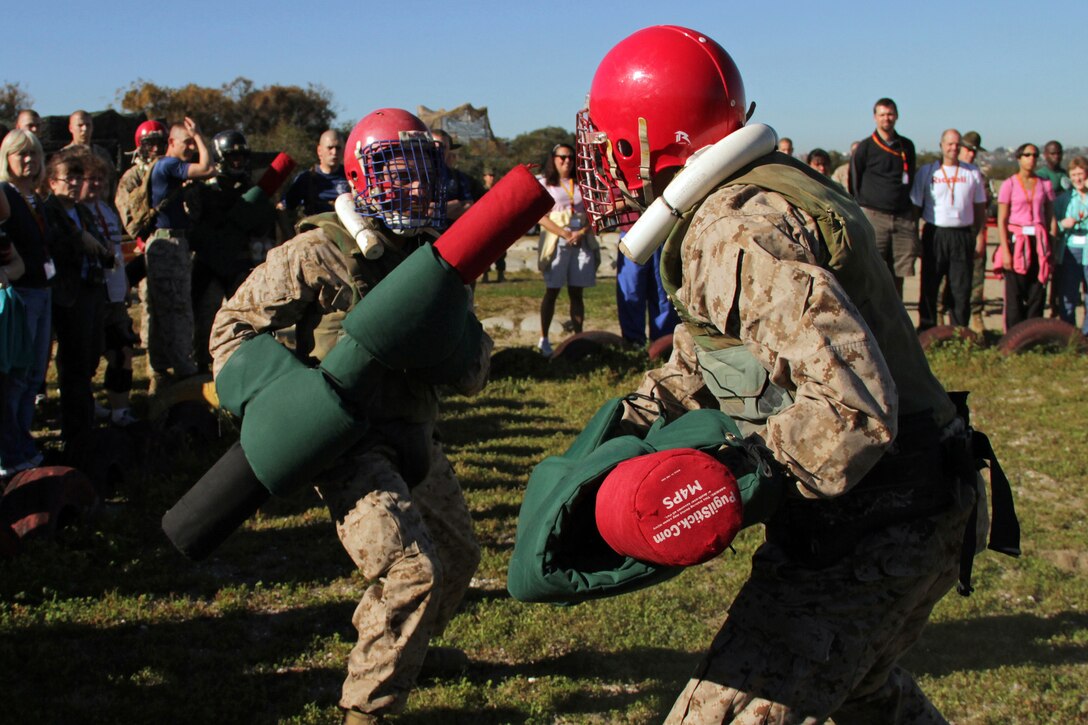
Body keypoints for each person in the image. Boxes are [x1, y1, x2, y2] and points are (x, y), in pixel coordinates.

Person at [574, 25, 996, 722]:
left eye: (610, 146)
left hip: (879, 515)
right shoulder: (753, 197)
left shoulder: (731, 229)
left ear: (647, 145)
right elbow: (717, 356)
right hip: (920, 495)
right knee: (863, 697)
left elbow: (851, 410)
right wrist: (622, 434)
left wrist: (732, 483)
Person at [209, 108, 486, 724]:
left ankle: (405, 652)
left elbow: (474, 367)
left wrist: (454, 350)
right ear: (364, 178)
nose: (418, 186)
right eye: (399, 173)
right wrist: (286, 405)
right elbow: (230, 329)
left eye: (425, 172)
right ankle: (368, 710)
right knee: (411, 572)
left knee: (459, 556)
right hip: (348, 444)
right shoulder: (315, 251)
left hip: (414, 434)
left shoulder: (436, 260)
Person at [188, 129, 277, 371]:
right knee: (206, 320)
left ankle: (247, 365)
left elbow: (264, 228)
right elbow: (192, 228)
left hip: (241, 266)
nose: (237, 162)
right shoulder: (203, 190)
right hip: (208, 265)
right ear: (219, 157)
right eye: (231, 157)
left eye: (241, 157)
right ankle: (201, 367)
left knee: (247, 320)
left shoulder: (250, 189)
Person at [39, 150, 111, 449]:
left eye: (78, 177)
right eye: (69, 177)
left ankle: (83, 425)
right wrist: (79, 241)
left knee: (90, 358)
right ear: (52, 182)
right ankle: (76, 433)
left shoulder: (82, 211)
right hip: (66, 295)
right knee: (74, 365)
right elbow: (51, 247)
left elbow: (100, 247)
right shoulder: (47, 211)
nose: (75, 183)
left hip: (90, 291)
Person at [144, 117, 216, 392]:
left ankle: (162, 370)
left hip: (169, 244)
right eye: (186, 143)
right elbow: (207, 168)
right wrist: (199, 134)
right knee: (178, 309)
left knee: (164, 308)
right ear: (171, 143)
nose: (191, 148)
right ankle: (185, 372)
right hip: (168, 245)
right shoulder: (169, 164)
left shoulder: (167, 168)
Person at [0, 130, 54, 477]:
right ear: (6, 159)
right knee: (17, 378)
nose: (29, 161)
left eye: (33, 154)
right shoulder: (5, 195)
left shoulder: (33, 196)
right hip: (20, 296)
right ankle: (13, 451)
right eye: (21, 155)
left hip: (42, 288)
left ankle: (22, 442)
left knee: (34, 375)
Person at [82, 151, 140, 426]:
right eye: (91, 179)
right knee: (87, 357)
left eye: (101, 179)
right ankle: (88, 407)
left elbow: (117, 251)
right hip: (90, 294)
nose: (96, 185)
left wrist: (125, 284)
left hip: (115, 294)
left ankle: (120, 410)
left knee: (123, 350)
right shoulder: (76, 212)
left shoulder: (107, 209)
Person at [911, 129, 987, 329]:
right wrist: (915, 238)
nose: (953, 148)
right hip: (935, 234)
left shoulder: (972, 172)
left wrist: (979, 236)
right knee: (929, 285)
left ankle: (959, 331)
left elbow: (980, 208)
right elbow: (915, 208)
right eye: (949, 144)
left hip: (962, 234)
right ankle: (927, 330)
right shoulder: (927, 172)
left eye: (956, 144)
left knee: (960, 288)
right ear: (941, 145)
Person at [850, 98, 918, 298]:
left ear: (896, 116)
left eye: (890, 114)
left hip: (902, 217)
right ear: (875, 118)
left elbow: (911, 177)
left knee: (900, 271)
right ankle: (875, 320)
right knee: (874, 269)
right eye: (882, 115)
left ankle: (897, 317)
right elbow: (854, 181)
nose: (886, 119)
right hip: (874, 216)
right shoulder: (865, 147)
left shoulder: (907, 146)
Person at [536, 143, 597, 356]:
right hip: (557, 240)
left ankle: (578, 338)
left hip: (580, 240)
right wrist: (564, 234)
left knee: (576, 292)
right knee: (552, 290)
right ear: (553, 159)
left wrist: (580, 232)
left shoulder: (583, 183)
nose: (567, 161)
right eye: (562, 157)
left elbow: (593, 213)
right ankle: (544, 339)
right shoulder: (545, 183)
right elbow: (539, 216)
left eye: (571, 157)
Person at [996, 143, 1055, 331]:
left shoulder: (1045, 184)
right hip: (1016, 240)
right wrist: (1005, 251)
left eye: (1035, 155)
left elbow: (1050, 216)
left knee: (1037, 290)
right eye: (1027, 154)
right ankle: (1014, 335)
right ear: (1019, 158)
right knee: (1014, 293)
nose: (1032, 158)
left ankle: (1033, 333)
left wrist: (1051, 244)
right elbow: (1002, 219)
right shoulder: (1009, 184)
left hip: (1038, 241)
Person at [959, 131, 991, 333]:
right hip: (953, 232)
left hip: (974, 230)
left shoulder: (978, 175)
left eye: (974, 151)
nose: (971, 154)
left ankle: (976, 317)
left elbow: (986, 206)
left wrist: (980, 235)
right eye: (968, 149)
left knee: (977, 278)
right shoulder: (941, 171)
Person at [1053, 155, 1088, 330]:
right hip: (1069, 250)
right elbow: (1052, 225)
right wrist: (1061, 225)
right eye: (1073, 175)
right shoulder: (1063, 200)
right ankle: (1068, 332)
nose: (1077, 178)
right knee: (1068, 294)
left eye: (1081, 174)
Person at [282, 129, 350, 217]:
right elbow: (286, 206)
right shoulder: (306, 178)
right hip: (315, 228)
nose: (334, 152)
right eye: (330, 148)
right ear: (319, 150)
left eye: (338, 148)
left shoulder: (351, 177)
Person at [432, 129, 475, 224]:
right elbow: (418, 210)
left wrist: (437, 210)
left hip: (449, 232)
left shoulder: (457, 177)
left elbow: (468, 206)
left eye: (443, 147)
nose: (439, 150)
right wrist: (455, 204)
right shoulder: (416, 175)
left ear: (449, 149)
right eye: (434, 146)